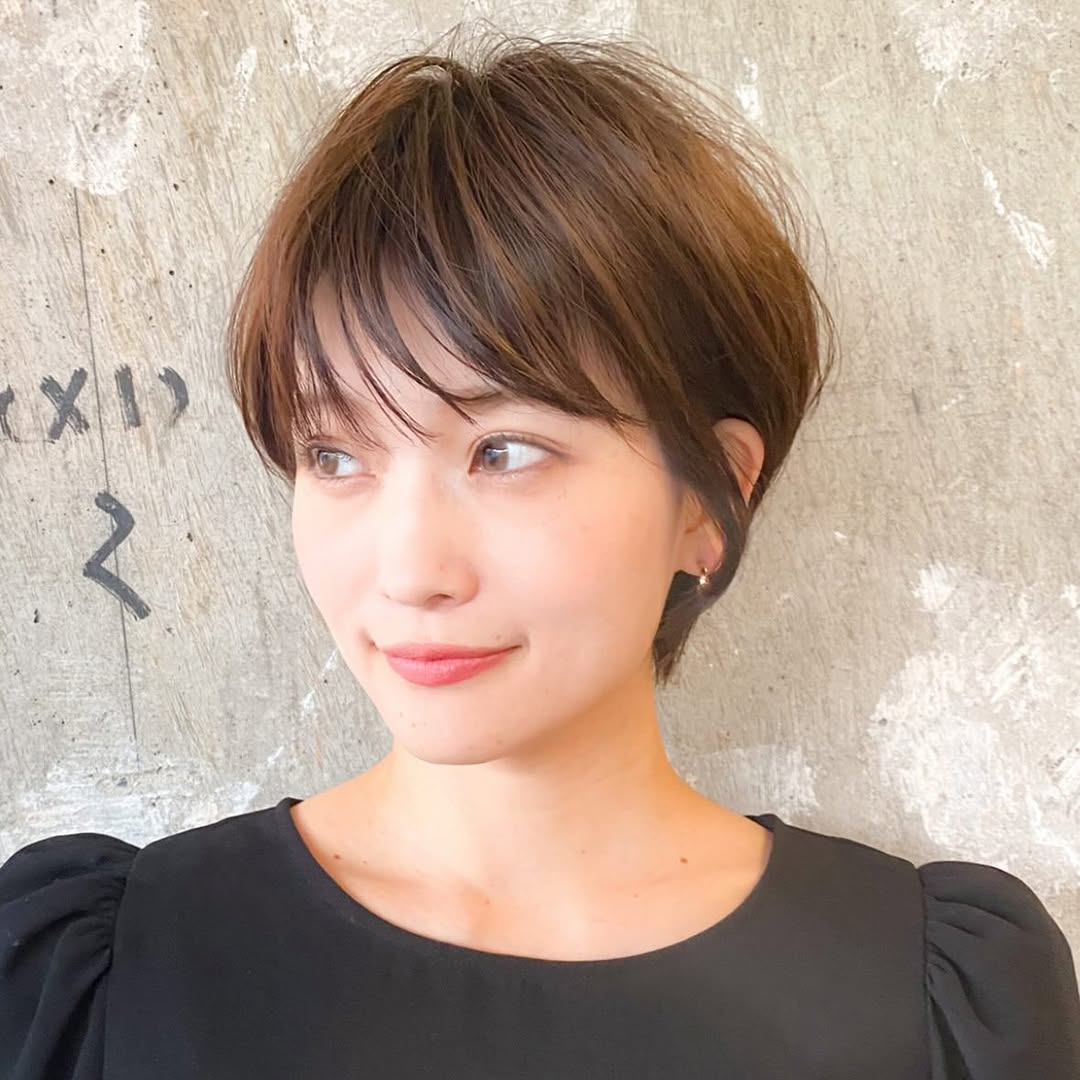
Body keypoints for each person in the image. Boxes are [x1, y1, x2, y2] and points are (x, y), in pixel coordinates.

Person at [2, 28, 1078, 1080]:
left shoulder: (936, 1002)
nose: (409, 571)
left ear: (710, 499)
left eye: (503, 452)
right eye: (334, 455)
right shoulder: (105, 975)